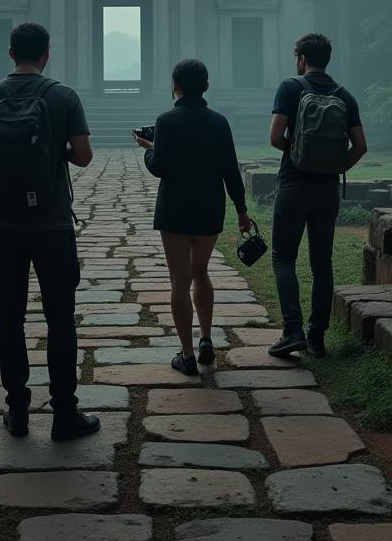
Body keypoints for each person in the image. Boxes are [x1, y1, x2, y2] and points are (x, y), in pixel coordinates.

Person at [0, 22, 98, 442]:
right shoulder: (63, 96)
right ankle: (64, 413)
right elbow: (84, 157)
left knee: (9, 316)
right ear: (47, 54)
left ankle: (17, 410)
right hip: (53, 224)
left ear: (10, 53)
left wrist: (4, 192)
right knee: (60, 317)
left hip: (3, 226)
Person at [133, 58, 251, 376]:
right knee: (201, 271)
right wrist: (241, 210)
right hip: (209, 207)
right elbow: (231, 170)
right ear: (206, 87)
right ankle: (207, 340)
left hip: (175, 208)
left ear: (175, 86)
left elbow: (160, 166)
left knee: (179, 280)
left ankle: (186, 355)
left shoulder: (167, 121)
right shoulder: (219, 122)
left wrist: (148, 148)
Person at [267, 32, 366, 358]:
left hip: (294, 184)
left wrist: (296, 154)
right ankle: (317, 337)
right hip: (327, 189)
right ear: (327, 59)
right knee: (322, 263)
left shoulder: (290, 88)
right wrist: (335, 165)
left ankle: (292, 330)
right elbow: (361, 146)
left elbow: (275, 136)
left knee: (284, 257)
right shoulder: (345, 95)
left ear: (301, 59)